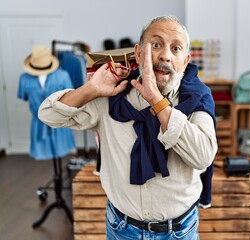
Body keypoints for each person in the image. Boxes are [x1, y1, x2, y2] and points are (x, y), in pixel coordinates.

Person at [38, 15, 217, 240]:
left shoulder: (198, 99)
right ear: (139, 53)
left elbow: (203, 156)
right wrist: (91, 89)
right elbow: (47, 114)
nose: (165, 55)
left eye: (176, 48)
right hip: (121, 229)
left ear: (185, 60)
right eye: (156, 45)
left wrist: (156, 101)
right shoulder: (112, 95)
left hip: (180, 231)